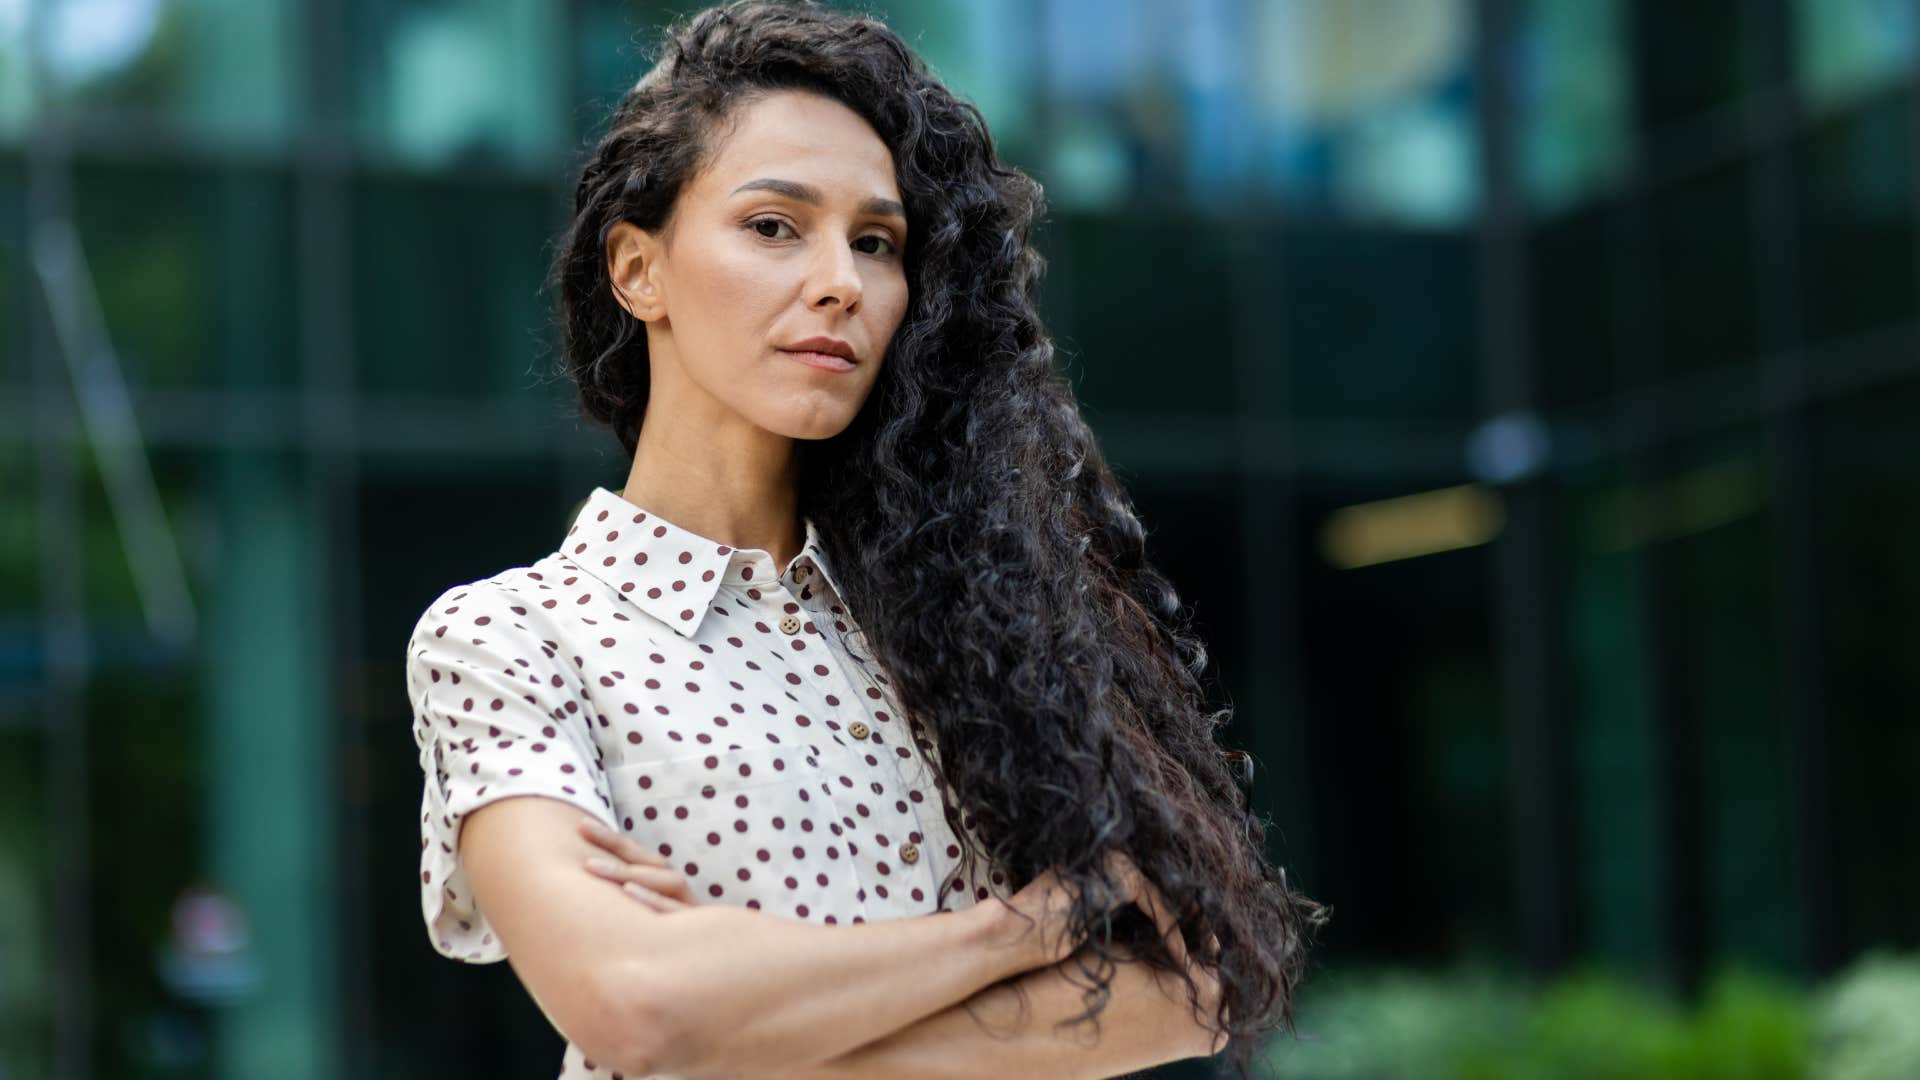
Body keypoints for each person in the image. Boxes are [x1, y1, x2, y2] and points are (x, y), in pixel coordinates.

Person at [403, 2, 1326, 1077]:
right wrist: (1019, 933)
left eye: (876, 242)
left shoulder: (962, 624)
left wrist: (748, 1012)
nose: (841, 280)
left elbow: (1196, 983)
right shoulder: (511, 639)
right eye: (774, 226)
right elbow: (635, 1003)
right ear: (638, 270)